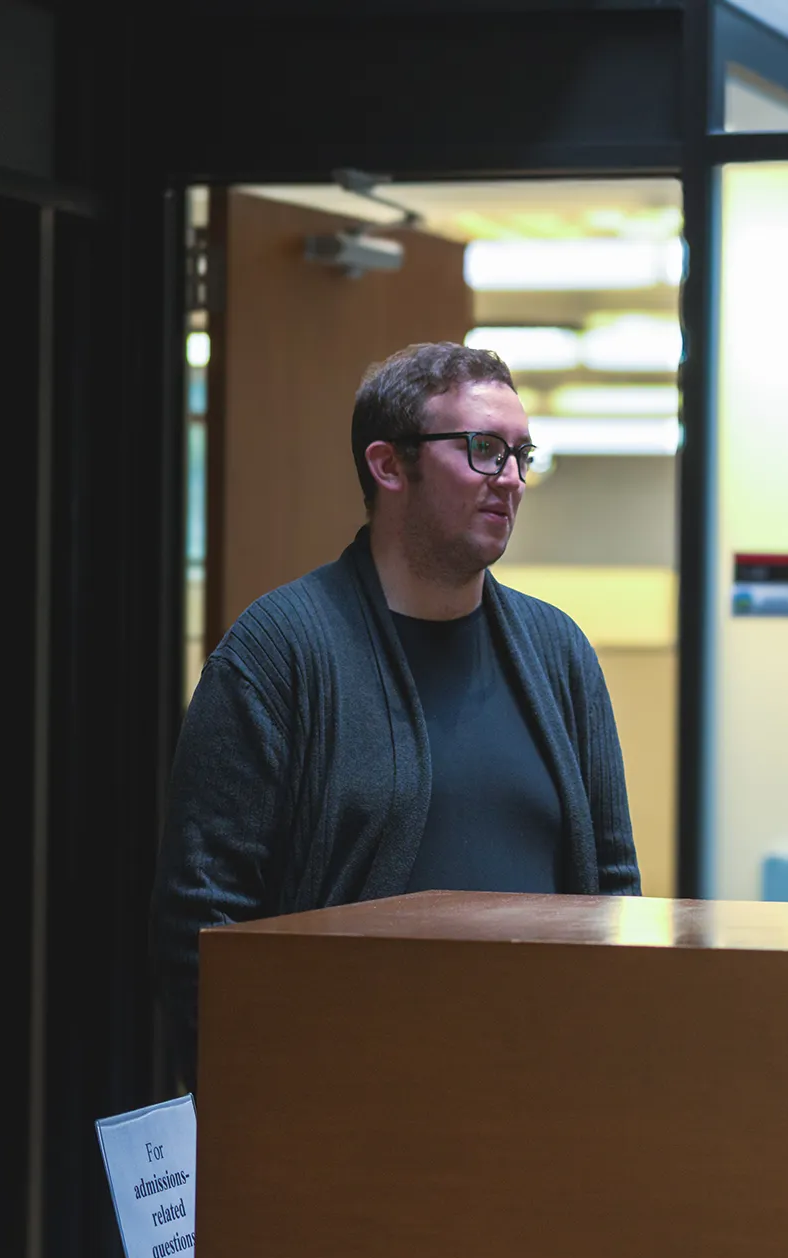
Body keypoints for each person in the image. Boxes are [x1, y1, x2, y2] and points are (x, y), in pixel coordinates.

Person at [153, 342, 639, 1083]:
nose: (509, 478)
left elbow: (612, 886)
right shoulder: (279, 653)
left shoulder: (558, 652)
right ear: (388, 466)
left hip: (541, 1102)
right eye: (482, 449)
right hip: (344, 1108)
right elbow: (202, 922)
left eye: (520, 453)